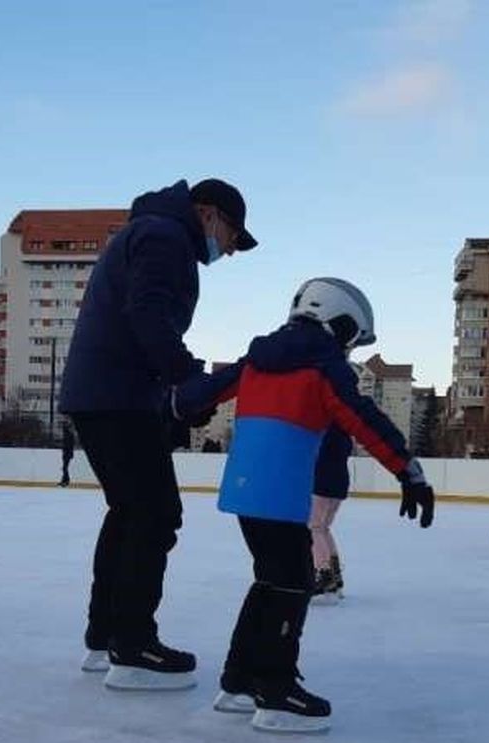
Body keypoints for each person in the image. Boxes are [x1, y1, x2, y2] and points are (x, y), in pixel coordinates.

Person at [172, 277, 435, 733]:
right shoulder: (322, 366)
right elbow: (362, 418)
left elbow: (199, 393)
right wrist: (407, 470)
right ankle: (276, 692)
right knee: (292, 584)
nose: (350, 348)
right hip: (281, 492)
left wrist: (169, 410)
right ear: (341, 323)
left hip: (243, 488)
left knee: (270, 581)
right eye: (352, 337)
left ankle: (238, 682)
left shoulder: (257, 357)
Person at [59, 177, 257, 689]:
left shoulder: (150, 232)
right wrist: (188, 378)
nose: (231, 250)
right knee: (154, 513)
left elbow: (140, 323)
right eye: (234, 235)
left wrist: (170, 400)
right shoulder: (165, 237)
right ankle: (133, 646)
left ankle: (105, 637)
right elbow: (146, 314)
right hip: (116, 396)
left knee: (129, 513)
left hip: (104, 393)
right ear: (209, 214)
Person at [309, 427, 351, 605]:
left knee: (314, 527)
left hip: (322, 483)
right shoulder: (344, 434)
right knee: (323, 528)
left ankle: (323, 571)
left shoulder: (324, 431)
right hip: (339, 484)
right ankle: (335, 574)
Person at [58, 423, 75, 487]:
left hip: (67, 453)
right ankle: (64, 481)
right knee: (64, 468)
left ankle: (66, 481)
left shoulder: (68, 435)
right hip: (66, 453)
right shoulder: (67, 435)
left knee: (65, 468)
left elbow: (69, 445)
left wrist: (69, 453)